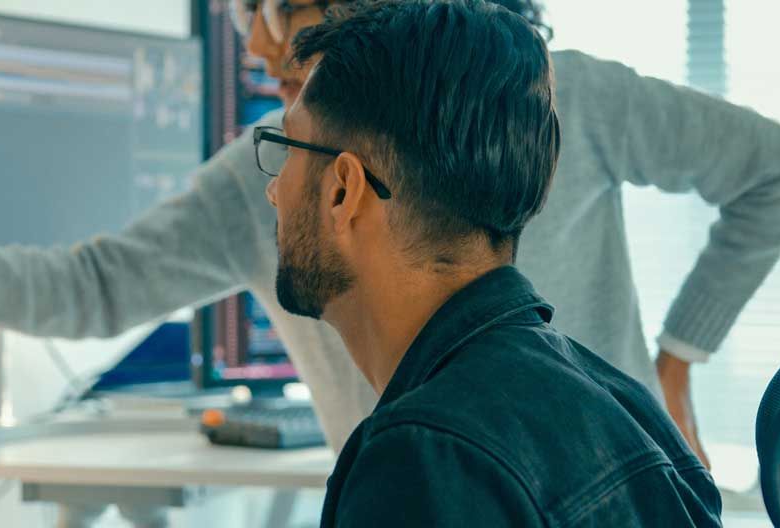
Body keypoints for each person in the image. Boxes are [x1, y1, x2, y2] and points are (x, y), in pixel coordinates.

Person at [0, 0, 780, 462]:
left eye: (272, 9)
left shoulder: (557, 98)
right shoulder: (273, 166)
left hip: (551, 485)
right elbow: (95, 286)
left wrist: (678, 362)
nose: (255, 41)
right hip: (416, 495)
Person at [265, 1, 720, 524]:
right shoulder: (628, 406)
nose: (275, 192)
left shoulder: (423, 460)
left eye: (286, 148)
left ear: (344, 190)